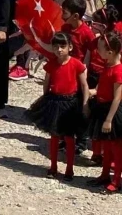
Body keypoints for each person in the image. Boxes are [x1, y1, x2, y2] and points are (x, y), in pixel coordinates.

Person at [25, 32, 88, 180]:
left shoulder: (76, 64)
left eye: (62, 46)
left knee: (69, 137)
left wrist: (85, 104)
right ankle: (53, 167)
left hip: (70, 104)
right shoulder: (51, 64)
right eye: (56, 47)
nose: (59, 50)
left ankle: (69, 169)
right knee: (54, 136)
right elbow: (47, 82)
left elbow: (84, 86)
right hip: (54, 101)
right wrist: (45, 98)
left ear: (70, 47)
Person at [85, 31, 122, 192]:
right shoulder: (108, 66)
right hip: (102, 108)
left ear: (110, 52)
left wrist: (109, 120)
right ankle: (105, 174)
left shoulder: (118, 71)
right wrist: (91, 92)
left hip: (112, 113)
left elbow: (117, 98)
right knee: (106, 146)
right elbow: (101, 87)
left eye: (99, 49)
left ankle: (116, 179)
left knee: (116, 147)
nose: (96, 52)